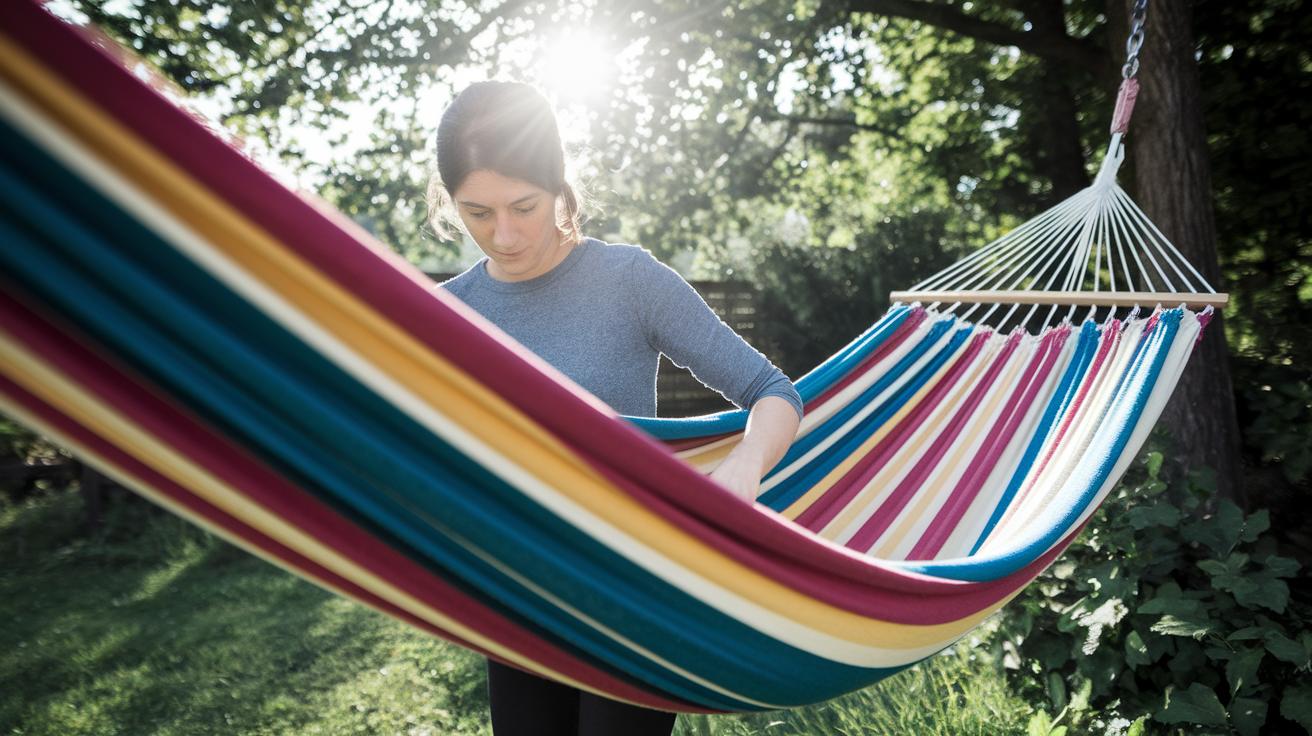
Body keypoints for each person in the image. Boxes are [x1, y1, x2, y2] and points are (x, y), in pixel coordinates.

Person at [429, 80, 803, 736]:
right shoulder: (447, 315)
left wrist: (746, 466)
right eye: (478, 212)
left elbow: (774, 392)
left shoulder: (628, 280)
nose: (506, 234)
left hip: (635, 594)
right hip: (517, 595)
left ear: (558, 183)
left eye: (524, 204)